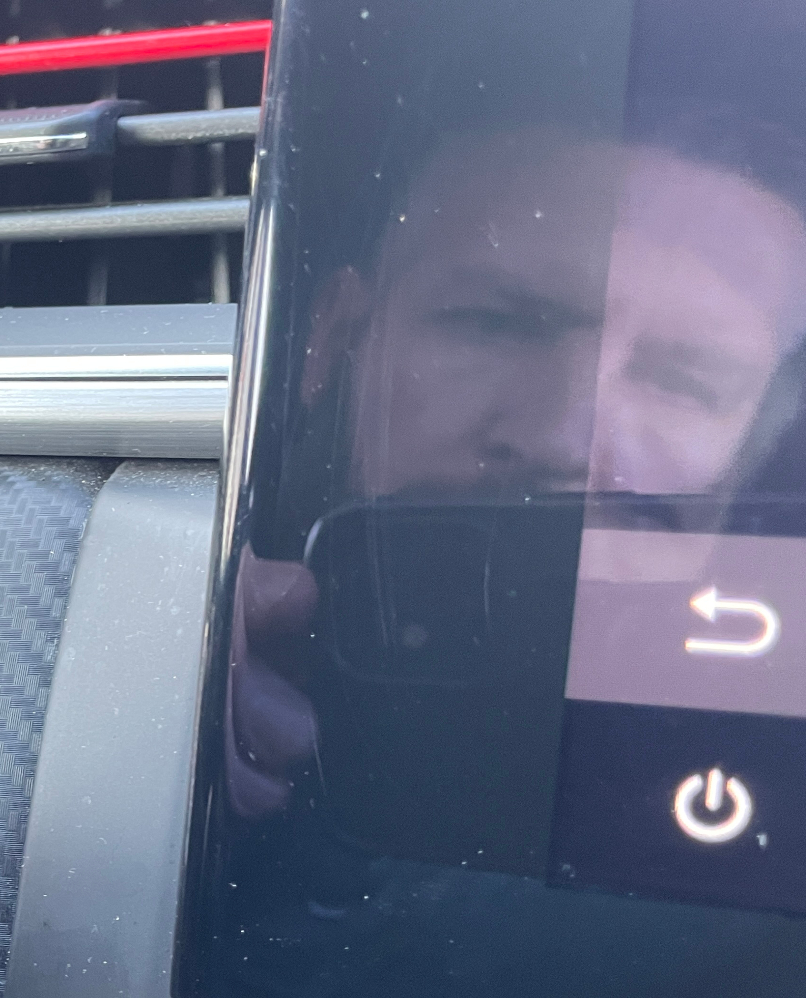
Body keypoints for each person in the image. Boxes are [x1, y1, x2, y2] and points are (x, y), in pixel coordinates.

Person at [228, 119, 806, 815]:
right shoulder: (194, 629)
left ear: (751, 458)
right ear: (335, 338)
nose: (562, 442)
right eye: (495, 324)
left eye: (684, 381)